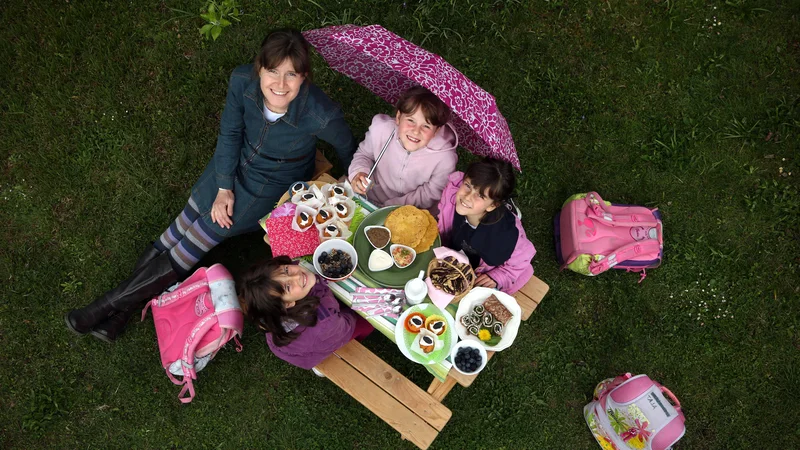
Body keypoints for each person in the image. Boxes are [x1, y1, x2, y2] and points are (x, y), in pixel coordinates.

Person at [65, 29, 357, 342]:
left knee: (196, 238)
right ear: (259, 68)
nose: (280, 85)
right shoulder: (242, 82)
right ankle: (120, 313)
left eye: (291, 75)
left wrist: (348, 181)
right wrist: (222, 187)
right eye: (272, 71)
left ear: (304, 77)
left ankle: (102, 308)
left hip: (270, 182)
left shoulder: (321, 113)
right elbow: (230, 134)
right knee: (177, 229)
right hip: (233, 162)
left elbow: (349, 149)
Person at [237, 256, 373, 370]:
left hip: (293, 340)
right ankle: (329, 355)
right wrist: (350, 312)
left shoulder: (270, 310)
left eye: (286, 270)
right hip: (318, 341)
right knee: (368, 320)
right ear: (287, 304)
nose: (297, 276)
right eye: (288, 287)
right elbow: (347, 325)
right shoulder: (326, 323)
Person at [348, 86, 458, 212]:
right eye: (411, 120)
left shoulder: (445, 159)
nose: (416, 131)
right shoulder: (381, 130)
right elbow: (364, 155)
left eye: (426, 126)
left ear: (436, 131)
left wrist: (392, 207)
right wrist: (359, 172)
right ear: (399, 117)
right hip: (369, 197)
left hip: (410, 211)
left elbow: (431, 192)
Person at [437, 158, 536, 294]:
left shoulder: (506, 235)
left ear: (492, 205)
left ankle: (511, 210)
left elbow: (522, 259)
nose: (467, 197)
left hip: (478, 273)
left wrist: (498, 277)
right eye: (468, 185)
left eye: (480, 195)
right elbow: (442, 220)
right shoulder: (452, 195)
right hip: (451, 257)